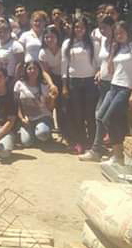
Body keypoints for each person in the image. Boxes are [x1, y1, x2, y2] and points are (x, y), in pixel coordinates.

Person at [80, 21, 132, 164]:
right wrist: (112, 52)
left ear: (128, 32)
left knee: (112, 118)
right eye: (116, 34)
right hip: (113, 86)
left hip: (126, 88)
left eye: (121, 32)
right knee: (101, 116)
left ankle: (118, 155)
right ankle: (102, 152)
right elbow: (110, 70)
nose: (119, 36)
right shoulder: (118, 48)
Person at [61, 15, 98, 154]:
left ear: (86, 28)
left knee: (90, 113)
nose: (79, 29)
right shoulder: (67, 43)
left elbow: (97, 62)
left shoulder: (92, 43)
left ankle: (92, 142)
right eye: (76, 27)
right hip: (74, 81)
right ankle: (79, 141)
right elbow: (64, 65)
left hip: (90, 81)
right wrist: (64, 85)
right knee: (77, 113)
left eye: (81, 27)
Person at [14, 61, 54, 146]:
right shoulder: (19, 84)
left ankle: (42, 133)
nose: (32, 71)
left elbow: (49, 108)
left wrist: (52, 99)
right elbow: (16, 105)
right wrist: (22, 119)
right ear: (25, 71)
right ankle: (31, 132)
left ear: (39, 71)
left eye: (35, 68)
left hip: (42, 117)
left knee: (42, 134)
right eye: (29, 69)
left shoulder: (44, 86)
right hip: (27, 119)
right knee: (27, 142)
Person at [39, 25, 66, 138]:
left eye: (52, 37)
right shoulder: (43, 52)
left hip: (66, 76)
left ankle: (65, 131)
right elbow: (45, 71)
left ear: (57, 37)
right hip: (52, 77)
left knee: (63, 106)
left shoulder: (63, 48)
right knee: (51, 103)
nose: (49, 40)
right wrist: (51, 84)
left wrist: (64, 84)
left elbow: (66, 67)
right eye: (46, 37)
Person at [95, 15, 116, 109]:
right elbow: (103, 61)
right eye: (100, 28)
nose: (102, 31)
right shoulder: (103, 40)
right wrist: (99, 71)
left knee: (104, 113)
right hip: (103, 81)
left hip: (114, 82)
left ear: (112, 27)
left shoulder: (117, 41)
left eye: (105, 28)